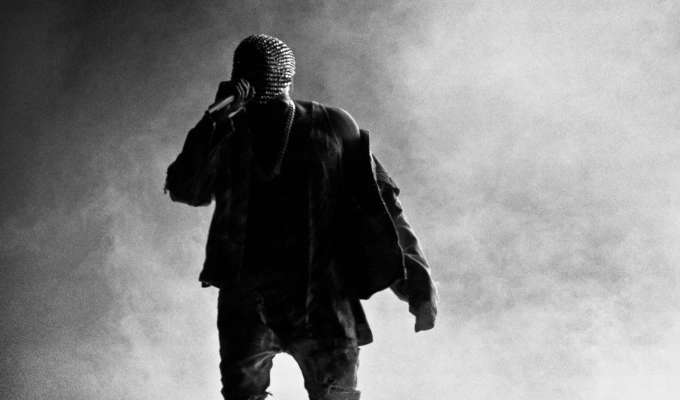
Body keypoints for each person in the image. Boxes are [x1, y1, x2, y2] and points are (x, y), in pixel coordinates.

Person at [164, 34, 437, 400]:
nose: (253, 82)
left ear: (284, 77)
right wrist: (212, 122)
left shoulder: (331, 126)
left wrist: (417, 283)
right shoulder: (227, 131)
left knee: (335, 395)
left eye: (259, 73)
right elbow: (185, 189)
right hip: (249, 300)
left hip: (321, 298)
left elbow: (382, 208)